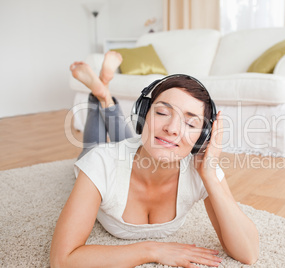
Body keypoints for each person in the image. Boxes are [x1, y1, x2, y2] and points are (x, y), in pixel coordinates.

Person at [50, 51, 259, 268]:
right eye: (161, 113)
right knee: (94, 146)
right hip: (115, 154)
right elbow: (62, 260)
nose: (172, 129)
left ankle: (103, 92)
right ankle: (99, 96)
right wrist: (152, 249)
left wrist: (211, 177)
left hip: (140, 147)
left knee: (133, 143)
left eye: (190, 123)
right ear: (144, 115)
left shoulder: (201, 168)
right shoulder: (101, 163)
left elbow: (249, 254)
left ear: (202, 137)